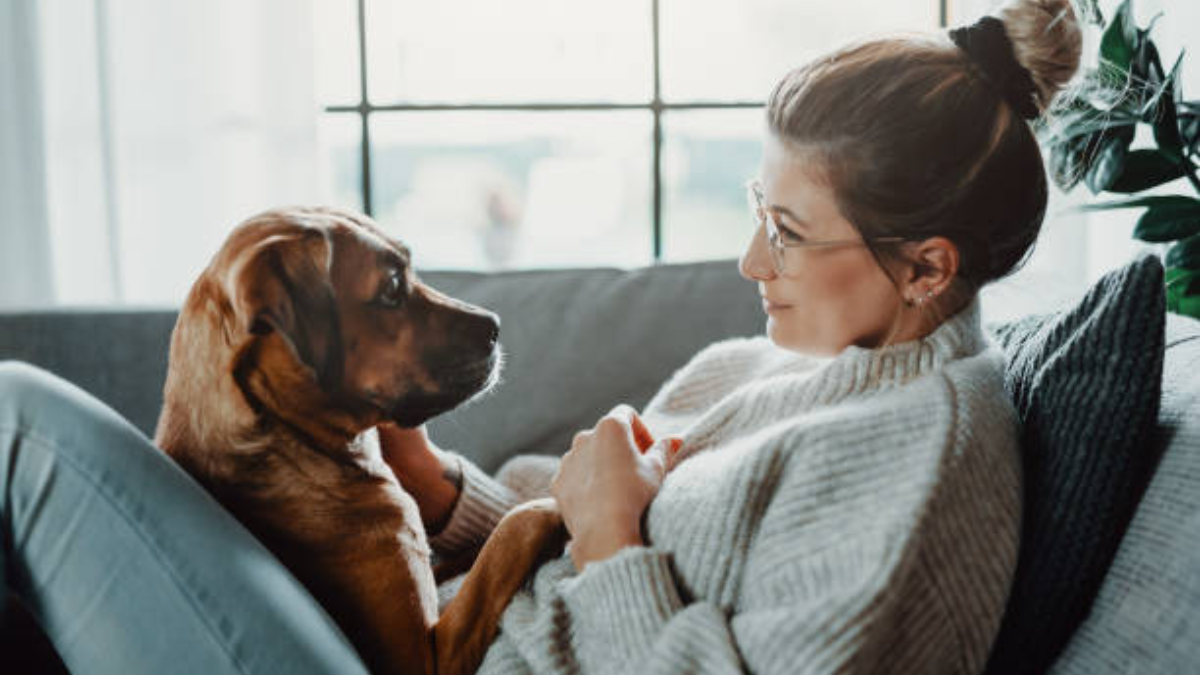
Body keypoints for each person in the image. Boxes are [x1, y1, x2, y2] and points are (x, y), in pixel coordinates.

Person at [0, 0, 1082, 673]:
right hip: (414, 634)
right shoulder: (767, 366)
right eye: (759, 209)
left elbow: (601, 548)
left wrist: (612, 542)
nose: (751, 263)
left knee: (15, 422)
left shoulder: (922, 462)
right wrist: (439, 496)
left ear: (929, 265)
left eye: (788, 233)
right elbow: (551, 518)